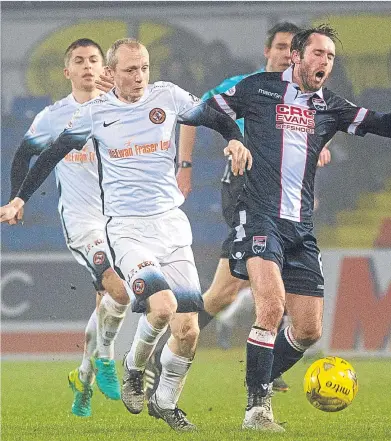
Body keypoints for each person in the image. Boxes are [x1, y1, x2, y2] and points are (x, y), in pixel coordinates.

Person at [1, 38, 252, 432]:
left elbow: (212, 114)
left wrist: (234, 137)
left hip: (171, 224)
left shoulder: (167, 97)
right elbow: (49, 155)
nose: (139, 77)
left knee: (187, 330)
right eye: (130, 70)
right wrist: (19, 198)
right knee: (163, 307)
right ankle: (133, 366)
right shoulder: (94, 112)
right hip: (127, 229)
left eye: (144, 68)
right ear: (112, 74)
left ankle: (165, 402)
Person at [204, 24, 391, 432]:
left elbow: (385, 125)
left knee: (308, 330)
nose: (324, 62)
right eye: (317, 53)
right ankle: (257, 410)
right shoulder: (260, 88)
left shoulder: (330, 105)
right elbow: (214, 108)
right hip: (259, 216)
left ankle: (261, 374)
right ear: (296, 56)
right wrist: (233, 138)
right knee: (271, 308)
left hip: (300, 228)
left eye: (329, 57)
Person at [147, 22, 331, 395]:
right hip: (244, 189)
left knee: (223, 292)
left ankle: (172, 348)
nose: (284, 54)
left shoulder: (306, 96)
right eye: (279, 47)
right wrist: (184, 166)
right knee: (257, 273)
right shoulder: (248, 86)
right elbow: (195, 113)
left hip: (283, 199)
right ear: (269, 52)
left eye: (290, 48)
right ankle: (265, 363)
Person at [6, 38, 132, 418]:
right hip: (81, 220)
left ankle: (84, 380)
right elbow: (23, 156)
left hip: (122, 219)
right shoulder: (53, 116)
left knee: (106, 308)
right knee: (118, 290)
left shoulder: (119, 109)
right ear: (68, 72)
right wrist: (17, 199)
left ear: (104, 67)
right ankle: (109, 360)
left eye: (94, 59)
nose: (88, 66)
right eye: (79, 60)